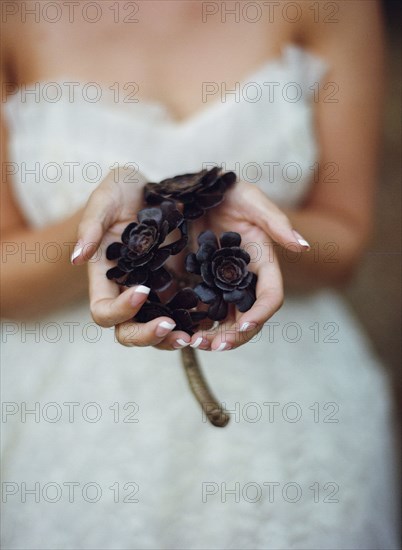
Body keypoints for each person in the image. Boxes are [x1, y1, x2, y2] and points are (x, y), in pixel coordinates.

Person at [1, 1, 399, 548]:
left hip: (293, 416)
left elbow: (345, 238)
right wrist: (123, 222)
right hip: (64, 426)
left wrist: (230, 224)